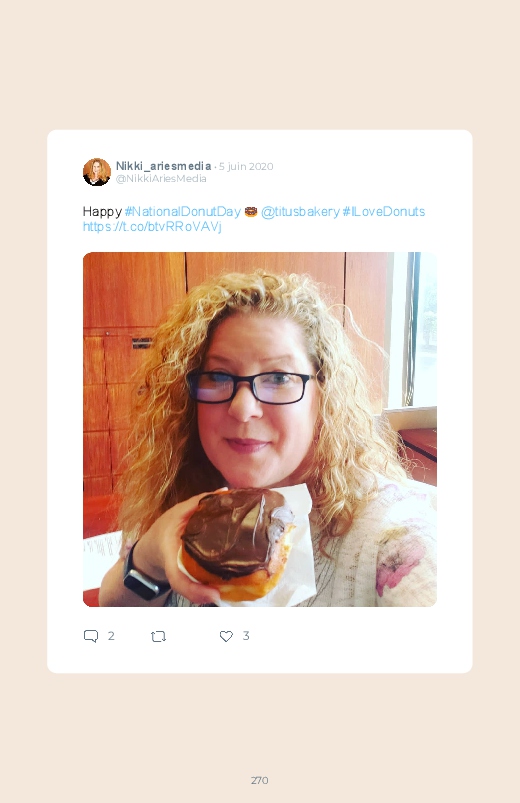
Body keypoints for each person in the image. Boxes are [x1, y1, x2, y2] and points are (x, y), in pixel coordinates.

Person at [99, 271, 436, 607]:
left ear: (324, 394)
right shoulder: (178, 492)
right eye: (218, 375)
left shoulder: (390, 537)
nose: (243, 408)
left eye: (278, 377)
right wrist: (150, 556)